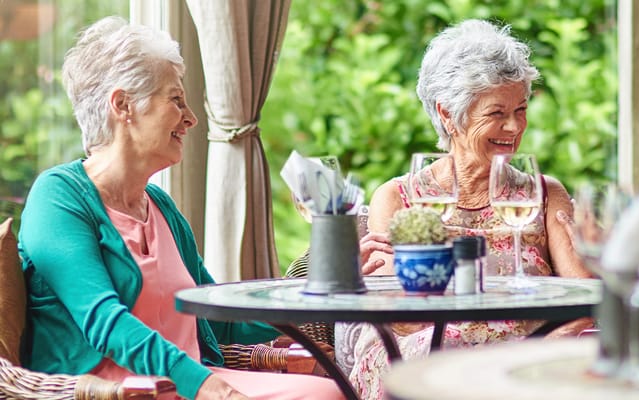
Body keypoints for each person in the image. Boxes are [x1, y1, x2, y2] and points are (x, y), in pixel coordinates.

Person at [17, 17, 342, 400]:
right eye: (176, 100)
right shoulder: (58, 197)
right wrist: (206, 386)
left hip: (191, 382)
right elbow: (104, 322)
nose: (191, 118)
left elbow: (219, 318)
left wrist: (321, 287)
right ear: (123, 105)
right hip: (120, 390)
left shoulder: (160, 206)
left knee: (331, 388)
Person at [349, 19, 592, 398]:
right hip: (423, 354)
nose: (514, 126)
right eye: (496, 113)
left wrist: (544, 346)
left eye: (521, 109)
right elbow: (399, 318)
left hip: (525, 361)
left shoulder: (543, 194)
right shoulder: (398, 197)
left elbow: (586, 296)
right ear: (448, 114)